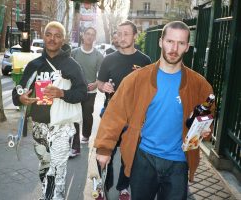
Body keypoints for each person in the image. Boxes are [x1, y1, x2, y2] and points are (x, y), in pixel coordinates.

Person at [94, 21, 214, 200]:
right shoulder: (137, 79)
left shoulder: (199, 84)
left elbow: (208, 115)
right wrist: (104, 148)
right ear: (160, 42)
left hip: (179, 161)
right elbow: (114, 113)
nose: (174, 48)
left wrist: (205, 130)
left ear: (187, 47)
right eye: (170, 41)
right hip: (144, 159)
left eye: (181, 43)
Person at [12, 21, 87, 200]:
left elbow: (82, 93)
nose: (52, 39)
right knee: (45, 166)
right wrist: (20, 97)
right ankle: (48, 193)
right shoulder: (34, 64)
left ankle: (53, 197)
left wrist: (62, 93)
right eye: (49, 34)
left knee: (58, 169)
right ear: (43, 37)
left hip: (62, 126)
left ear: (63, 40)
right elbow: (19, 89)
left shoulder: (71, 65)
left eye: (57, 35)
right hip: (39, 125)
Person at [97, 20, 151, 200]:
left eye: (126, 33)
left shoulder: (145, 61)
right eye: (119, 34)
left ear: (135, 36)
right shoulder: (108, 59)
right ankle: (104, 185)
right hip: (110, 114)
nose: (121, 37)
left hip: (134, 118)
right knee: (105, 152)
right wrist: (103, 86)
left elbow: (150, 90)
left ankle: (123, 187)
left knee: (129, 155)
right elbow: (99, 83)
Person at [69, 27, 103, 157]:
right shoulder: (74, 53)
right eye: (87, 34)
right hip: (76, 90)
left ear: (94, 38)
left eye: (92, 35)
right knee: (75, 115)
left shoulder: (98, 55)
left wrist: (95, 83)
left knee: (87, 115)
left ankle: (86, 135)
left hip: (90, 92)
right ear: (83, 36)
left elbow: (103, 75)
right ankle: (74, 140)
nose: (89, 36)